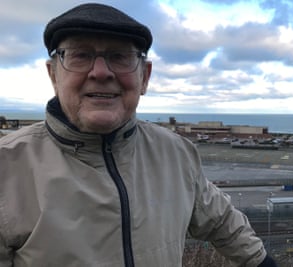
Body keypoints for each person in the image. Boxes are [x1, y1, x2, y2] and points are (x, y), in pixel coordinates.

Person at [0, 3, 277, 267]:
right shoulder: (8, 167)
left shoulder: (175, 152)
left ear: (144, 77)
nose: (100, 72)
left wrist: (260, 262)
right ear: (53, 75)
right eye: (80, 55)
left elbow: (220, 220)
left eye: (119, 56)